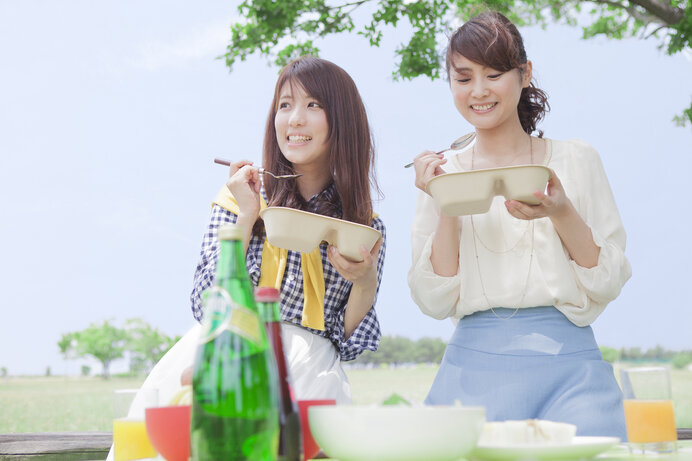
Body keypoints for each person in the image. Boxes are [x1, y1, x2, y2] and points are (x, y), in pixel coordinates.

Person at [408, 11, 631, 439]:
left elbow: (608, 281)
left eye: (494, 74)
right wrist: (446, 199)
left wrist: (561, 211)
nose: (478, 91)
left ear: (524, 73)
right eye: (463, 77)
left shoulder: (576, 160)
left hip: (572, 371)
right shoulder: (440, 174)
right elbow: (434, 299)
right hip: (470, 374)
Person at [189, 56, 386, 404]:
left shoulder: (363, 224)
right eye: (285, 105)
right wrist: (248, 217)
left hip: (313, 373)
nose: (295, 118)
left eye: (313, 104)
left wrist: (366, 280)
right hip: (232, 358)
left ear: (343, 121)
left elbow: (345, 336)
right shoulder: (238, 198)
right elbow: (207, 302)